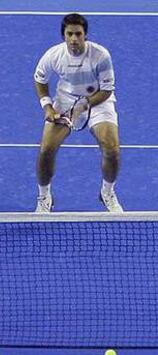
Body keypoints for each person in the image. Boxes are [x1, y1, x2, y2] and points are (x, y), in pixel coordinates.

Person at [34, 13, 123, 213]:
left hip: (98, 101)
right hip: (65, 102)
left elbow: (107, 90)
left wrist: (84, 104)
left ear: (85, 35)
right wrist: (47, 106)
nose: (74, 39)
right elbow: (40, 79)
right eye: (70, 34)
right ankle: (44, 196)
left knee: (112, 149)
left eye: (78, 34)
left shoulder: (101, 55)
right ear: (63, 36)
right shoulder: (53, 55)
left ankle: (107, 192)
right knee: (46, 150)